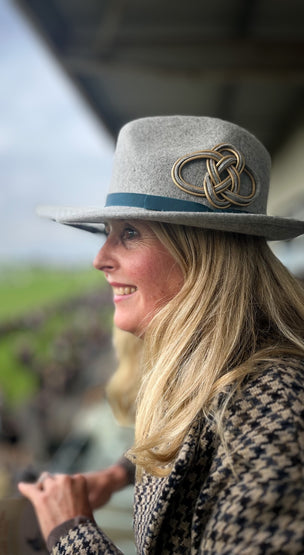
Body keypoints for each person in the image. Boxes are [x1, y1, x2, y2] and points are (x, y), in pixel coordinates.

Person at [18, 115, 304, 554]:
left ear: (201, 258)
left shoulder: (278, 409)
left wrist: (69, 531)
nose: (100, 258)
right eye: (107, 233)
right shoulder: (216, 365)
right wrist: (120, 473)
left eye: (129, 233)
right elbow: (199, 443)